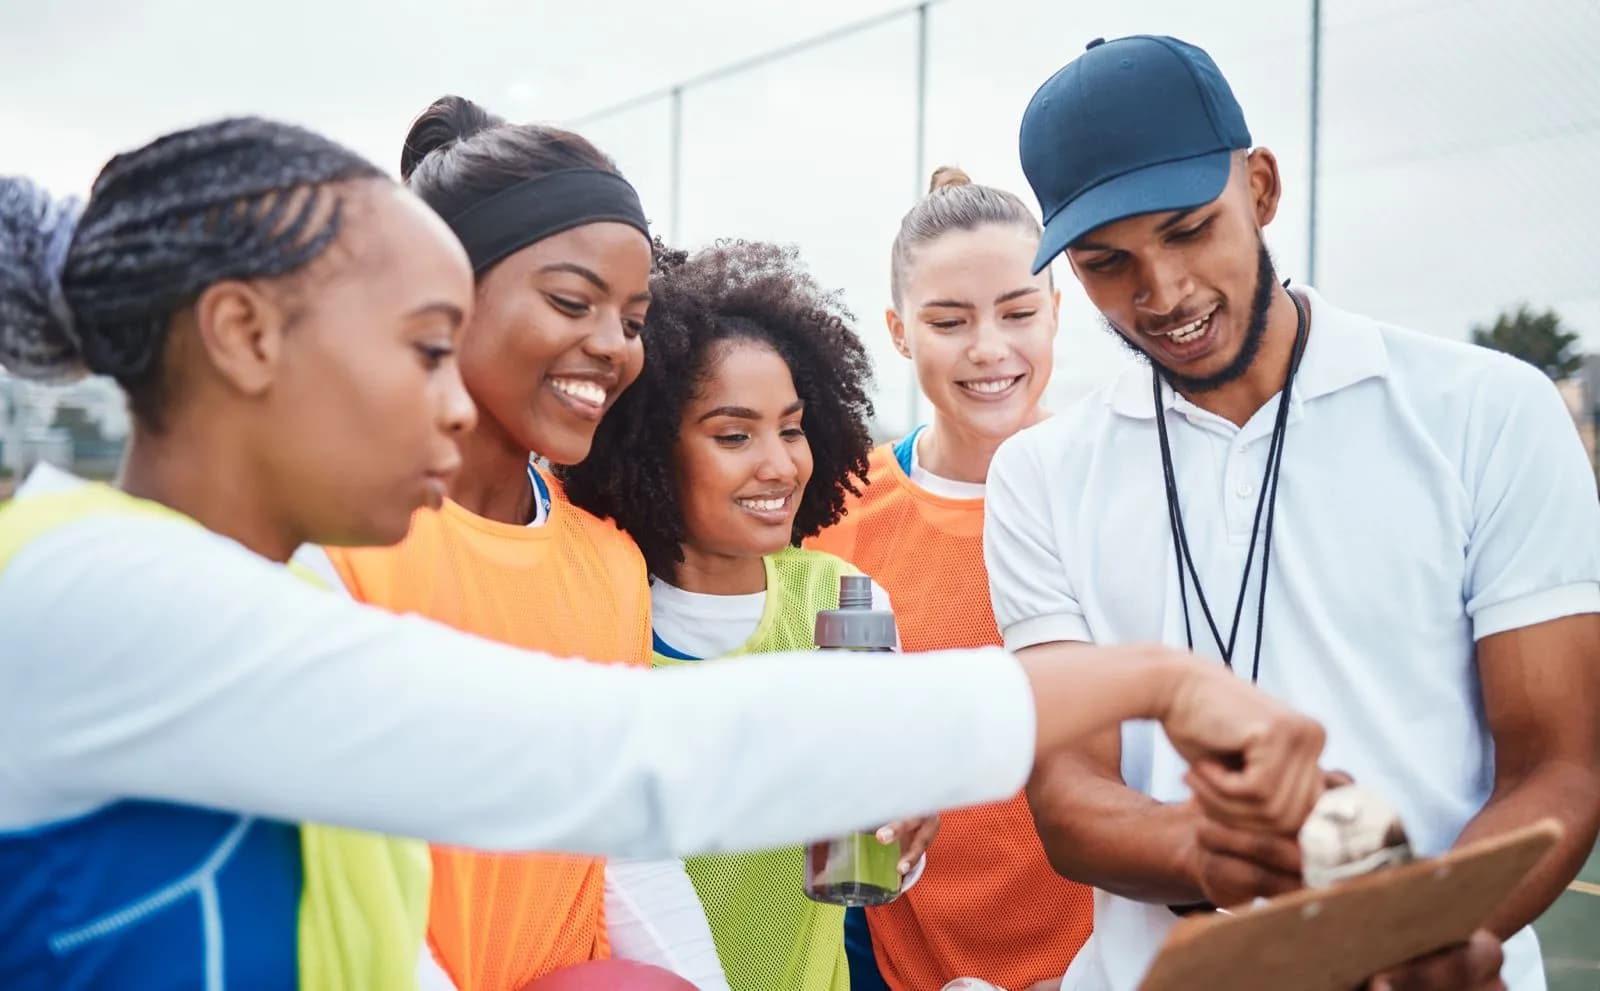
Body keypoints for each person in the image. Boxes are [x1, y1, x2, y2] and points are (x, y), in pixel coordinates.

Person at [0, 116, 1325, 991]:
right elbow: (628, 752)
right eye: (421, 347)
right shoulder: (97, 593)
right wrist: (1150, 679)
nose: (457, 402)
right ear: (243, 333)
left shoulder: (201, 591)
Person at [989, 34, 1600, 991]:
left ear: (1261, 188)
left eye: (1190, 230)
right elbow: (1070, 798)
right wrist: (1208, 850)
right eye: (1108, 263)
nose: (1164, 293)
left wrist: (1411, 940)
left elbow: (1557, 766)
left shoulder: (1487, 410)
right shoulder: (1038, 474)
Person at [303, 96, 722, 991]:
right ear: (444, 296)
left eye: (634, 319)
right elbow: (331, 878)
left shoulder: (609, 569)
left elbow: (624, 849)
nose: (612, 346)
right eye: (573, 301)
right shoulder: (329, 547)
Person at [561, 239, 937, 991]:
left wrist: (906, 827)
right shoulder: (604, 611)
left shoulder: (844, 605)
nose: (779, 463)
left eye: (791, 427)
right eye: (735, 435)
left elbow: (880, 868)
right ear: (648, 447)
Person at [809, 166, 1093, 991]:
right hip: (899, 965)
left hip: (1101, 962)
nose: (989, 348)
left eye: (1017, 311)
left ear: (1056, 312)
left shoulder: (1123, 492)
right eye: (949, 320)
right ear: (900, 331)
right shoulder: (839, 516)